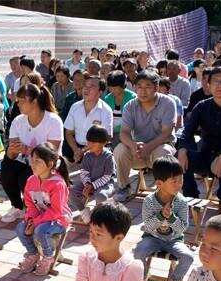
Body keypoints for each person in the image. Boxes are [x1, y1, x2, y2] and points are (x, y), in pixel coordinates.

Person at [177, 66, 221, 213]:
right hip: (206, 154)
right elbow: (187, 131)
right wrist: (182, 150)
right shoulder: (201, 106)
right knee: (180, 156)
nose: (220, 85)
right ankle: (191, 196)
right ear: (208, 85)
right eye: (215, 81)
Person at [133, 156, 193, 281]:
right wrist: (160, 216)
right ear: (159, 183)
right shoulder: (149, 201)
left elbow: (183, 228)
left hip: (174, 240)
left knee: (188, 257)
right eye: (174, 181)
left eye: (181, 179)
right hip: (152, 238)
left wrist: (171, 218)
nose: (179, 184)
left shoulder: (181, 202)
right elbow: (148, 226)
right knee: (138, 252)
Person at [0, 84, 63, 223]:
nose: (18, 104)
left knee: (27, 177)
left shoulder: (53, 120)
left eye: (22, 101)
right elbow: (12, 155)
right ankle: (17, 206)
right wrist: (11, 150)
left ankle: (38, 209)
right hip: (24, 160)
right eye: (17, 101)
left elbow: (52, 152)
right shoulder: (18, 121)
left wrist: (28, 150)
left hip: (47, 163)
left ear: (34, 102)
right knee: (6, 169)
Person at [113, 72, 177, 202]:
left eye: (148, 86)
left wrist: (148, 147)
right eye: (139, 86)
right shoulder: (130, 105)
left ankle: (164, 191)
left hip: (159, 146)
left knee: (164, 152)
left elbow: (166, 133)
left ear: (156, 87)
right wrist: (133, 145)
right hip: (139, 151)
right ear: (135, 88)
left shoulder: (168, 103)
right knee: (120, 149)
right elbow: (124, 132)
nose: (143, 91)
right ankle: (123, 187)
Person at [16, 144, 72, 276]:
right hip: (40, 218)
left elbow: (56, 211)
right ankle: (33, 254)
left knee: (40, 230)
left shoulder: (57, 184)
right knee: (20, 228)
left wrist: (36, 222)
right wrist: (31, 220)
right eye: (32, 160)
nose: (32, 164)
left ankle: (48, 257)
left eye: (38, 161)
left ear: (50, 164)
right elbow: (29, 204)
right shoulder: (31, 180)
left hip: (59, 219)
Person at [70, 125, 116, 223]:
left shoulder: (108, 157)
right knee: (71, 191)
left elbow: (107, 177)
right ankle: (83, 211)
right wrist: (87, 184)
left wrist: (92, 186)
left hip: (105, 184)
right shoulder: (87, 155)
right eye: (88, 141)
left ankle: (99, 214)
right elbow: (84, 172)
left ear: (104, 143)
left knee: (101, 196)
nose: (90, 144)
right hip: (89, 182)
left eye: (93, 142)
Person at [64, 75, 113, 163]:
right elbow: (69, 133)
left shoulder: (106, 110)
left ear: (100, 92)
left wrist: (84, 151)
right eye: (85, 86)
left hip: (96, 148)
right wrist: (76, 150)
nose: (86, 89)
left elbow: (107, 137)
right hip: (75, 147)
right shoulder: (75, 106)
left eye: (92, 86)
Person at [104, 70, 137, 147]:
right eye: (110, 88)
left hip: (128, 132)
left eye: (115, 88)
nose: (112, 90)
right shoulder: (107, 99)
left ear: (122, 86)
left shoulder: (132, 98)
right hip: (111, 133)